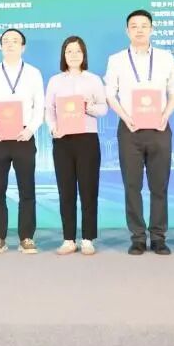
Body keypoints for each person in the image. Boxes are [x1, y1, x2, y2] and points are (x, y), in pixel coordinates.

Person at [104, 10, 174, 256]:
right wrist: (125, 117)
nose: (139, 30)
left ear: (152, 29)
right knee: (132, 185)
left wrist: (165, 115)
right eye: (134, 26)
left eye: (144, 25)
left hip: (159, 128)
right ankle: (137, 237)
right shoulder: (116, 59)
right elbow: (110, 93)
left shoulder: (165, 57)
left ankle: (158, 237)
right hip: (130, 130)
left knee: (159, 186)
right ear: (127, 31)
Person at [0, 28, 45, 254]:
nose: (10, 44)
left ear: (23, 47)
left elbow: (40, 105)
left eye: (15, 41)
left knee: (27, 190)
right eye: (6, 41)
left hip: (24, 137)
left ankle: (27, 237)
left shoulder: (33, 73)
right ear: (0, 46)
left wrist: (31, 129)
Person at [44, 36, 107, 256]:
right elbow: (49, 109)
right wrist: (53, 128)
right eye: (69, 51)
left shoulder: (93, 80)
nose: (73, 55)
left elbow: (103, 108)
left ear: (84, 54)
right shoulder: (55, 81)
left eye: (78, 51)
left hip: (87, 139)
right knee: (66, 191)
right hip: (62, 140)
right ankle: (68, 239)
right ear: (63, 55)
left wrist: (88, 107)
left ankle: (88, 238)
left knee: (89, 190)